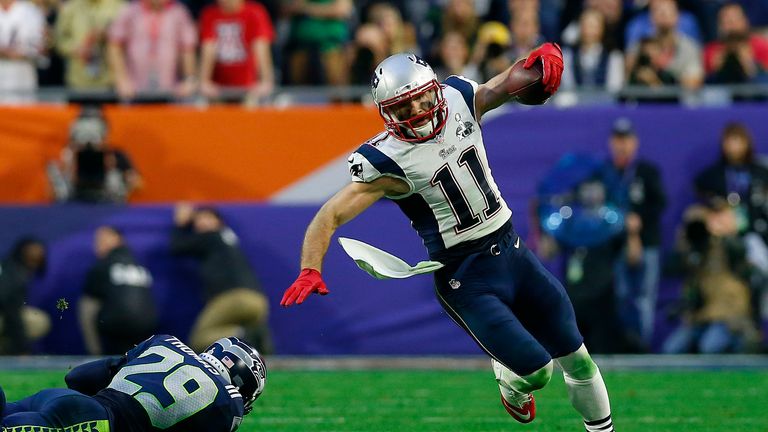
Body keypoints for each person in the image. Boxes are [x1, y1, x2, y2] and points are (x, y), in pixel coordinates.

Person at [281, 49, 616, 431]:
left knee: (579, 359)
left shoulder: (459, 98)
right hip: (466, 277)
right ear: (388, 114)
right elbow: (329, 215)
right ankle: (510, 382)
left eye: (422, 98)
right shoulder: (388, 160)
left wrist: (542, 64)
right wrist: (310, 267)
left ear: (435, 88)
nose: (419, 111)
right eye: (405, 108)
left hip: (513, 253)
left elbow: (506, 84)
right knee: (538, 371)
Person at [0, 335, 266, 432]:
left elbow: (77, 377)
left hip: (63, 401)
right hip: (96, 424)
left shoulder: (166, 342)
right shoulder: (227, 404)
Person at [599, 118, 666, 351]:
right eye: (618, 139)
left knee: (644, 298)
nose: (622, 145)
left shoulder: (646, 171)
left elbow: (660, 203)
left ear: (634, 142)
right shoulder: (605, 173)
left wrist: (638, 220)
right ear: (611, 142)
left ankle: (643, 347)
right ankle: (624, 344)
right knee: (620, 295)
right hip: (617, 245)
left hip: (646, 242)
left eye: (626, 139)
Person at [171, 204, 272, 354]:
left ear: (219, 222)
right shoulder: (228, 239)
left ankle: (246, 335)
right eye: (197, 219)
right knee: (253, 352)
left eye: (206, 218)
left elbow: (176, 247)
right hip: (258, 301)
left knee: (199, 340)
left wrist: (180, 225)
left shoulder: (211, 236)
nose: (201, 222)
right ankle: (257, 339)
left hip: (232, 298)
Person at [79, 226, 157, 355]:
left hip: (115, 330)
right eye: (97, 241)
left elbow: (88, 307)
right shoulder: (140, 266)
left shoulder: (102, 266)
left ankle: (94, 355)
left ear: (118, 239)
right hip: (148, 329)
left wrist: (94, 350)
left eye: (103, 239)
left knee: (87, 306)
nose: (98, 245)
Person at [198, 0, 275, 105]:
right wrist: (204, 81)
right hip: (218, 88)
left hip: (248, 86)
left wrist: (265, 80)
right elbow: (208, 47)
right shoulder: (210, 13)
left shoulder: (254, 12)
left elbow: (260, 47)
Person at [0, 237, 51, 355]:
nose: (37, 254)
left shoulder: (9, 268)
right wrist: (21, 350)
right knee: (39, 321)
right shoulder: (15, 276)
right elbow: (12, 314)